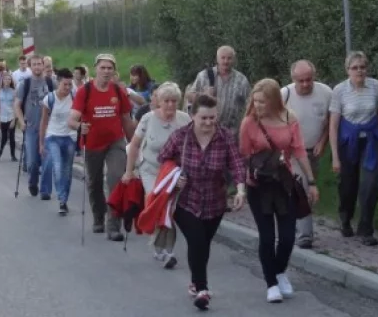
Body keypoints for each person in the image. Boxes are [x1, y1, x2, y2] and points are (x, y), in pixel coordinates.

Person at [157, 93, 246, 310]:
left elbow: (236, 164)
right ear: (192, 116)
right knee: (197, 241)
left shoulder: (224, 137)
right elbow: (163, 157)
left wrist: (241, 190)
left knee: (203, 245)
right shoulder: (181, 137)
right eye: (203, 118)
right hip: (185, 201)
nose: (208, 123)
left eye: (212, 118)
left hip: (215, 203)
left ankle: (195, 281)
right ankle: (202, 289)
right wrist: (175, 175)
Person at [240, 79, 320, 303]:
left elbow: (299, 151)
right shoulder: (249, 122)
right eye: (255, 101)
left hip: (284, 183)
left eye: (262, 102)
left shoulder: (289, 118)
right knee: (267, 238)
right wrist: (242, 186)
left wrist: (311, 182)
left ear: (274, 101)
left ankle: (279, 271)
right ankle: (271, 283)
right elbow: (243, 155)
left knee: (286, 237)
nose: (258, 106)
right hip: (259, 186)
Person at [329, 51, 378, 247]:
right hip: (348, 142)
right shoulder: (340, 90)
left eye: (363, 67)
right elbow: (333, 125)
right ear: (347, 70)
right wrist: (335, 157)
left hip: (372, 141)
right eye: (355, 67)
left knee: (371, 184)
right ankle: (345, 218)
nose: (359, 71)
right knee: (348, 186)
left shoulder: (375, 86)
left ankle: (366, 229)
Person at [68, 53, 135, 241]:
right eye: (103, 67)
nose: (106, 71)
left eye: (110, 68)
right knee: (94, 182)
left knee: (115, 179)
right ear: (96, 68)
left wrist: (133, 147)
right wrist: (80, 126)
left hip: (116, 142)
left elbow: (126, 120)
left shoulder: (118, 91)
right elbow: (71, 119)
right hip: (92, 144)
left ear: (114, 70)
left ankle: (113, 225)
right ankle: (98, 215)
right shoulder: (85, 91)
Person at [123, 82, 190, 268]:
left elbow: (193, 146)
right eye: (166, 100)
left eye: (174, 101)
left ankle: (167, 251)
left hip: (174, 172)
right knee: (157, 202)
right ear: (159, 101)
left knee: (171, 208)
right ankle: (160, 246)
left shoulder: (185, 120)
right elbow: (134, 145)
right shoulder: (148, 119)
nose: (170, 105)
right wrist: (129, 171)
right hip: (151, 169)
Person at [282, 60, 332, 249]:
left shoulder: (325, 92)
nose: (305, 84)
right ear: (293, 79)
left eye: (309, 80)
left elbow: (330, 120)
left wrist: (323, 141)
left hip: (314, 150)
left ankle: (295, 221)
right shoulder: (284, 94)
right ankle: (305, 235)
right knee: (303, 186)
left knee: (306, 190)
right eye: (301, 81)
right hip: (292, 151)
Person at [14, 55, 55, 197]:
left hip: (49, 128)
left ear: (44, 66)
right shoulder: (24, 84)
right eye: (34, 64)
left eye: (40, 64)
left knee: (47, 161)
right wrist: (21, 121)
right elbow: (17, 105)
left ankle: (45, 190)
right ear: (30, 67)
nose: (37, 67)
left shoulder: (50, 82)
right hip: (31, 127)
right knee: (32, 161)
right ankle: (33, 182)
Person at [188, 46, 251, 137]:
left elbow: (250, 103)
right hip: (207, 130)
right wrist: (202, 96)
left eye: (229, 58)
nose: (226, 61)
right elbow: (189, 96)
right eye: (223, 58)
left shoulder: (242, 80)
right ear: (217, 59)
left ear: (234, 60)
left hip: (232, 133)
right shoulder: (204, 75)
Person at [39, 68, 77, 215]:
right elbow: (43, 122)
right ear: (58, 83)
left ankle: (63, 201)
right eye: (65, 84)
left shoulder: (74, 97)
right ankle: (61, 198)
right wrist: (41, 143)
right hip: (53, 136)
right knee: (57, 167)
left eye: (70, 84)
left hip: (70, 138)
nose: (67, 88)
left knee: (67, 171)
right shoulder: (49, 99)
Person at [0, 73, 18, 160]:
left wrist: (14, 119)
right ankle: (1, 148)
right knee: (4, 136)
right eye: (5, 79)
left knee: (12, 136)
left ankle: (13, 155)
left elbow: (16, 106)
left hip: (11, 115)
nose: (7, 81)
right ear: (2, 81)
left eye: (9, 79)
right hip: (2, 116)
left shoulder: (14, 92)